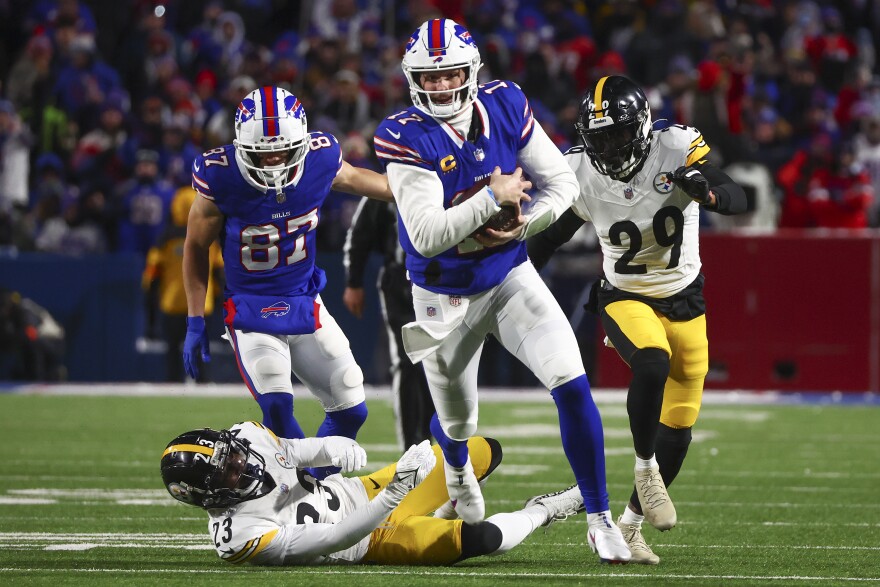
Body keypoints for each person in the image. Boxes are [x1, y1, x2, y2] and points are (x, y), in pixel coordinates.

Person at [372, 18, 630, 563]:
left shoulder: (506, 103)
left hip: (510, 277)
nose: (440, 87)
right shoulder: (404, 133)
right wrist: (492, 198)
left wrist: (522, 224)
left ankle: (601, 517)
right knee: (458, 422)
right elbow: (427, 233)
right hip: (443, 300)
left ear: (471, 71)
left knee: (571, 382)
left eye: (449, 75)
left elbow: (562, 184)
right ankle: (460, 472)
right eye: (429, 77)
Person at [528, 75, 748, 564]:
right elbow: (549, 237)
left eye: (616, 134)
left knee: (681, 420)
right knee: (652, 362)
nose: (607, 147)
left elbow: (738, 196)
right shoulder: (581, 172)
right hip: (624, 296)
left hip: (685, 297)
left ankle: (628, 526)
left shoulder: (675, 147)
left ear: (644, 127)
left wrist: (708, 194)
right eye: (598, 138)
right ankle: (644, 467)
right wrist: (508, 280)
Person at [182, 86, 393, 476]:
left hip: (303, 300)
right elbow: (196, 247)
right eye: (262, 151)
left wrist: (431, 191)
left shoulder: (321, 158)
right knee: (278, 403)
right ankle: (303, 496)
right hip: (250, 309)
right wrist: (196, 320)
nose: (274, 160)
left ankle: (310, 487)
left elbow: (371, 182)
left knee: (352, 405)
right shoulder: (220, 176)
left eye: (281, 149)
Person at [160, 420, 585, 566]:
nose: (242, 464)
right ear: (210, 497)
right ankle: (546, 510)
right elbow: (335, 538)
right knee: (483, 538)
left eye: (232, 456)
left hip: (362, 490)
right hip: (371, 539)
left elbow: (289, 450)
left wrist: (331, 447)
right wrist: (398, 489)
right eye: (230, 473)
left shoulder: (246, 436)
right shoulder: (239, 535)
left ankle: (442, 507)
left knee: (483, 451)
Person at [342, 197, 435, 449]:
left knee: (440, 361)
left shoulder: (449, 170)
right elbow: (360, 234)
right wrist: (354, 282)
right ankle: (412, 447)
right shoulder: (388, 180)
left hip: (446, 281)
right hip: (401, 282)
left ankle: (440, 441)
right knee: (408, 362)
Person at [142, 186, 223, 382]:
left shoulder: (165, 239)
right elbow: (219, 270)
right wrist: (218, 295)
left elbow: (151, 275)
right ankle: (202, 383)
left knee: (172, 351)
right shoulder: (210, 235)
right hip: (202, 305)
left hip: (172, 302)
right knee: (202, 349)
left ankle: (173, 385)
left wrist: (151, 303)